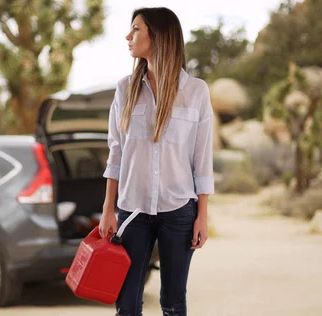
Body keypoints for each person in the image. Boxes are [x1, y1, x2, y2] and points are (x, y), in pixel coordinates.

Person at [98, 6, 215, 316]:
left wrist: (202, 215)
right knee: (127, 304)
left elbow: (202, 160)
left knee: (174, 303)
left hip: (179, 211)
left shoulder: (195, 92)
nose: (128, 36)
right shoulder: (125, 89)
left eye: (136, 29)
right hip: (132, 210)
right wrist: (108, 210)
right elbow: (116, 154)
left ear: (158, 36)